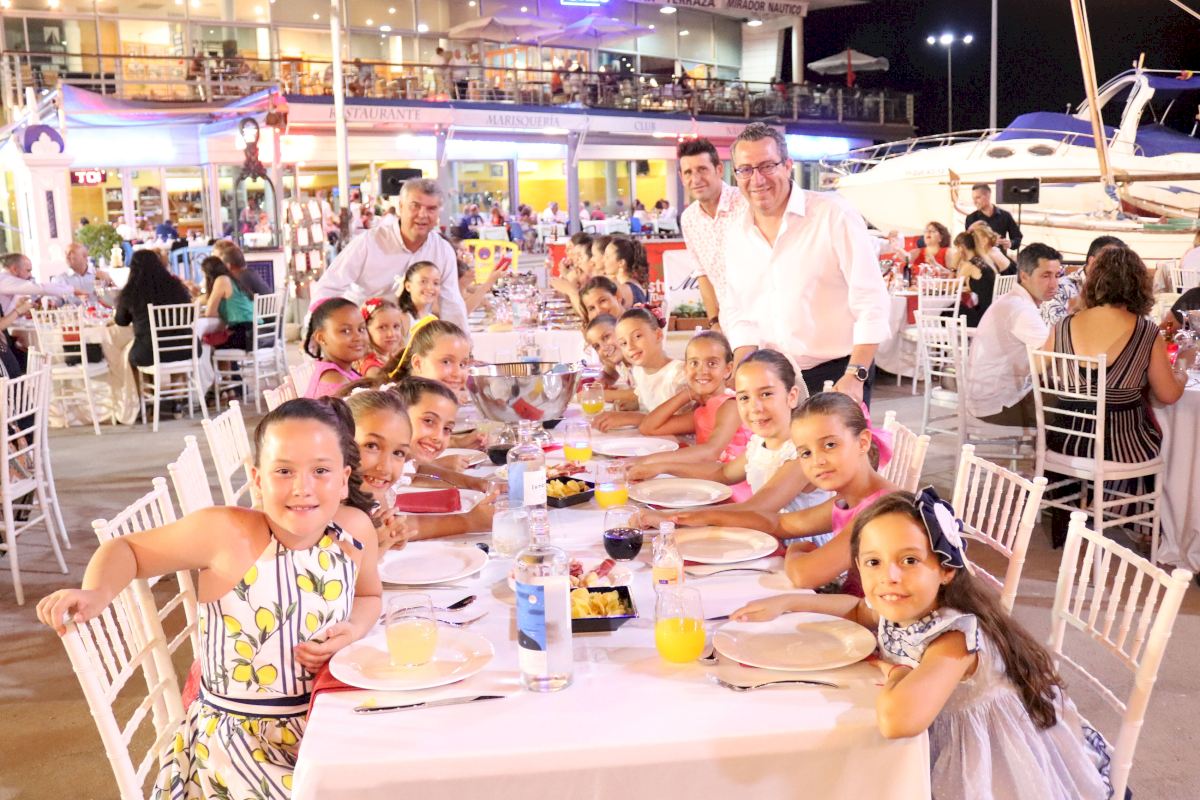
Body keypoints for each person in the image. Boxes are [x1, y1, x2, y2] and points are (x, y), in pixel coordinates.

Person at [37, 397, 382, 800]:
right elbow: (126, 549)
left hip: (326, 724)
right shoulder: (225, 533)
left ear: (343, 479)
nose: (302, 488)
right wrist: (96, 592)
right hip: (239, 745)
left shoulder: (354, 531)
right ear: (257, 479)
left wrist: (354, 627)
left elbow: (369, 594)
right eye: (284, 471)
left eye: (320, 471)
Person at [731, 489, 1114, 799]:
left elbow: (898, 721)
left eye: (909, 560)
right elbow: (858, 609)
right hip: (934, 731)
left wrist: (897, 672)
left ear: (945, 569)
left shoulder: (953, 639)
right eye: (874, 563)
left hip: (985, 766)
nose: (890, 577)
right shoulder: (908, 606)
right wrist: (789, 602)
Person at [651, 393, 898, 592]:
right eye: (806, 453)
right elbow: (778, 523)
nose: (818, 461)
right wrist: (687, 518)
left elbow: (805, 575)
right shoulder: (849, 498)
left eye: (830, 445)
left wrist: (795, 551)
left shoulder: (880, 509)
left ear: (863, 442)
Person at [721, 122, 891, 403]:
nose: (757, 179)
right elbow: (739, 312)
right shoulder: (735, 233)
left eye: (767, 166)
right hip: (770, 378)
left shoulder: (833, 215)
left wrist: (855, 375)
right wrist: (741, 371)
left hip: (838, 373)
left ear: (788, 166)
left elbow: (871, 300)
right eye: (746, 170)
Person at [1042, 245, 1195, 550]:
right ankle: (1142, 522)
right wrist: (1182, 365)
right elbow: (1168, 395)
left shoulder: (1064, 325)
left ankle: (1092, 506)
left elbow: (1041, 371)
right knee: (1153, 435)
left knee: (1136, 426)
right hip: (1119, 446)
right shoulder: (1145, 331)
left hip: (1065, 438)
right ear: (1138, 284)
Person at [633, 349, 829, 520]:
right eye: (744, 397)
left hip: (800, 547)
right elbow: (722, 473)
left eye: (766, 394)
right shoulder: (760, 443)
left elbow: (757, 508)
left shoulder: (801, 452)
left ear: (792, 396)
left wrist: (670, 517)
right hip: (764, 537)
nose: (755, 407)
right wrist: (662, 467)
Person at [310, 178, 468, 332]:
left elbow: (452, 303)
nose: (422, 214)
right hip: (365, 335)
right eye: (415, 206)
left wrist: (462, 342)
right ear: (401, 207)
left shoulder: (442, 250)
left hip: (412, 337)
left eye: (431, 209)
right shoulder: (368, 242)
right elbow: (329, 287)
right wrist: (314, 332)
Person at [627, 332, 753, 501]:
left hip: (734, 492)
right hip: (709, 486)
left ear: (727, 369)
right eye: (694, 363)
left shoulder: (731, 405)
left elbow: (711, 451)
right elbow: (649, 427)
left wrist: (650, 462)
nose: (702, 370)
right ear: (685, 369)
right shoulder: (702, 409)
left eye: (712, 363)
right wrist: (686, 394)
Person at [966, 243, 1063, 428]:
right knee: (1080, 408)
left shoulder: (1012, 300)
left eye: (1057, 275)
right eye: (1045, 276)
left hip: (986, 398)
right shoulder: (1021, 309)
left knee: (1065, 395)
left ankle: (1048, 445)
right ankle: (1051, 447)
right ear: (1024, 276)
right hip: (999, 406)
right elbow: (1053, 357)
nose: (1054, 284)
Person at [678, 138, 746, 330]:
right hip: (728, 323)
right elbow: (702, 273)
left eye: (702, 169)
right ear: (681, 177)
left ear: (719, 169)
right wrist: (714, 321)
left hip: (765, 319)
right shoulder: (689, 219)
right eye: (688, 172)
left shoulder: (746, 203)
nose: (696, 179)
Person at [343, 388, 417, 553]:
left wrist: (389, 537)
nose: (385, 468)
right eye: (372, 446)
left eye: (398, 453)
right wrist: (374, 549)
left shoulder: (374, 496)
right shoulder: (325, 513)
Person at [593, 308, 686, 431]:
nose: (630, 347)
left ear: (658, 335)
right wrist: (635, 404)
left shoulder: (679, 374)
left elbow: (687, 422)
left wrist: (631, 418)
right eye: (623, 343)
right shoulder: (639, 371)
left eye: (637, 336)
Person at [113, 250, 193, 370]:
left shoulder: (132, 291)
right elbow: (189, 316)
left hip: (150, 352)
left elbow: (121, 321)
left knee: (128, 355)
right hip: (186, 348)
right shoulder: (176, 287)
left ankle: (148, 383)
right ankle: (179, 382)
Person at [1041, 235, 1126, 327]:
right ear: (1092, 261)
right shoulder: (1059, 288)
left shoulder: (1121, 289)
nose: (1117, 269)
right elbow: (1056, 328)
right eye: (1111, 262)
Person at [383, 317, 471, 401]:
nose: (457, 373)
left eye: (462, 364)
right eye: (446, 362)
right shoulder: (394, 405)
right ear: (418, 364)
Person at [302, 298, 366, 398]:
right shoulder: (334, 380)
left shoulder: (343, 370)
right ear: (321, 338)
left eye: (361, 329)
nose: (358, 337)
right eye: (346, 331)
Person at [952, 228, 1014, 328]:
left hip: (982, 316)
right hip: (993, 313)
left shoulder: (969, 265)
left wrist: (953, 267)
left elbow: (952, 288)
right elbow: (981, 286)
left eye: (956, 248)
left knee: (949, 310)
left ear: (961, 248)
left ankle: (947, 338)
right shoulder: (983, 261)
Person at [200, 255, 254, 351]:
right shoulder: (232, 279)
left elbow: (209, 313)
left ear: (208, 274)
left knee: (205, 342)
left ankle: (225, 363)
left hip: (245, 335)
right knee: (214, 338)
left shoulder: (221, 280)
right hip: (255, 331)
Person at [583, 314, 637, 408]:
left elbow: (643, 394)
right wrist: (602, 382)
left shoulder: (639, 359)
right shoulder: (620, 362)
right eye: (597, 346)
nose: (604, 347)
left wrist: (603, 394)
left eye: (606, 337)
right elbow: (609, 374)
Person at [964, 183, 1023, 253]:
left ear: (988, 196)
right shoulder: (971, 218)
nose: (974, 202)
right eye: (973, 198)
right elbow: (968, 244)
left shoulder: (1005, 216)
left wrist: (1010, 243)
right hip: (980, 258)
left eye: (978, 198)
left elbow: (1017, 238)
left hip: (1001, 258)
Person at [355, 297, 405, 379]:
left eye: (396, 326)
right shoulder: (372, 369)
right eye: (382, 327)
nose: (391, 334)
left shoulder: (394, 359)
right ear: (366, 330)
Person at [395, 260, 442, 336]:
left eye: (436, 283)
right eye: (423, 281)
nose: (430, 287)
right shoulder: (402, 318)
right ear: (408, 286)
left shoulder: (433, 319)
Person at [604, 235, 650, 306]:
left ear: (621, 263)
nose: (603, 260)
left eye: (607, 257)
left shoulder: (624, 290)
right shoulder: (637, 285)